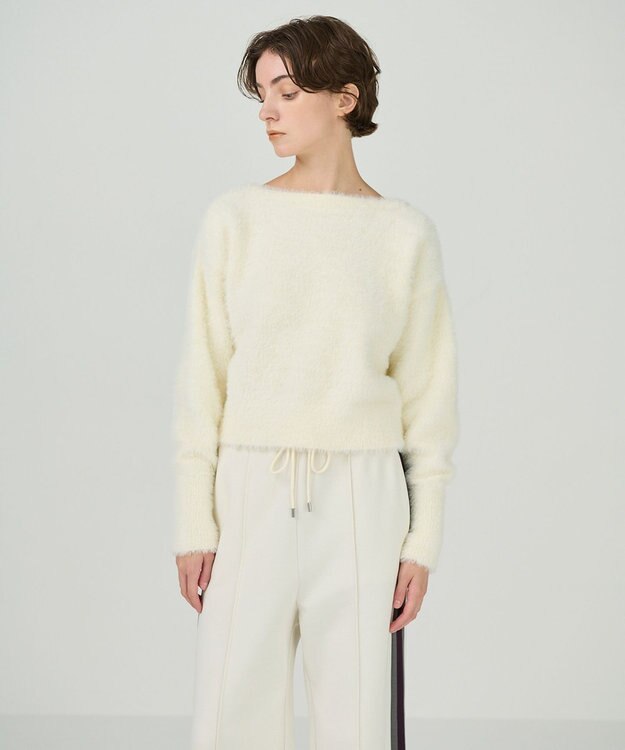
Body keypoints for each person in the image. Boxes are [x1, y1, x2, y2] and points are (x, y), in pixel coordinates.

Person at [172, 14, 459, 750]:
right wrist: (195, 522)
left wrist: (421, 544)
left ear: (344, 98)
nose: (267, 111)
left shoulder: (403, 234)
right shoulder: (236, 220)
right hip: (250, 487)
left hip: (363, 495)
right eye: (262, 94)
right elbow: (202, 380)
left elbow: (429, 402)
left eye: (287, 91)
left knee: (356, 722)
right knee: (229, 716)